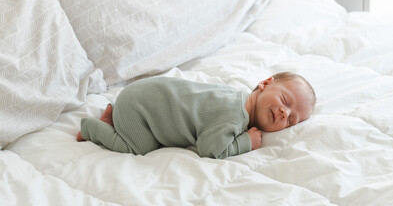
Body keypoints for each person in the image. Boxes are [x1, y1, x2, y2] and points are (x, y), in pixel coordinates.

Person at [77, 72, 316, 159]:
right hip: (139, 109)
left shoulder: (237, 97)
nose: (285, 113)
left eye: (291, 120)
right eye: (285, 101)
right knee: (139, 147)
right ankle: (93, 128)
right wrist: (246, 143)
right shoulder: (234, 116)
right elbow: (209, 148)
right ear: (264, 83)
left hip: (141, 96)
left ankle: (113, 116)